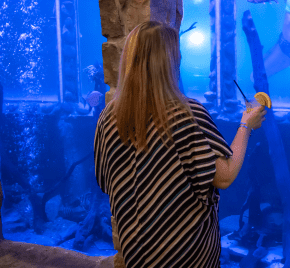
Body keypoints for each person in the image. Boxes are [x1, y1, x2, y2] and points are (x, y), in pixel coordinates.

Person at [94, 21, 265, 268]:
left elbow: (104, 181)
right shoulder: (186, 114)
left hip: (137, 253)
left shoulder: (108, 115)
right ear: (170, 62)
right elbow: (225, 176)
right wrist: (246, 125)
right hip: (185, 254)